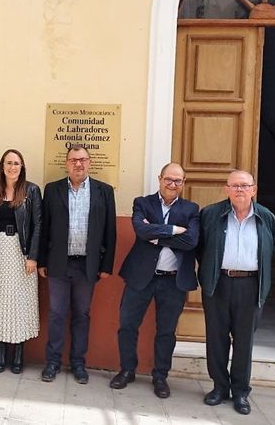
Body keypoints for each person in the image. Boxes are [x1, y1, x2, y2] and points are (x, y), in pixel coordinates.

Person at [110, 163, 199, 398]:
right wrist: (174, 230)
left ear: (184, 183)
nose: (173, 184)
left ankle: (160, 376)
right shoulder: (143, 203)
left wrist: (157, 236)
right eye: (169, 179)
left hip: (173, 281)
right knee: (127, 325)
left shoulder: (191, 209)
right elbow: (141, 231)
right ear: (160, 179)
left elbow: (191, 241)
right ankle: (127, 370)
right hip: (140, 277)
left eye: (178, 181)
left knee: (166, 331)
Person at [198, 170, 275, 415]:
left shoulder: (267, 217)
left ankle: (241, 391)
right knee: (217, 337)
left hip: (251, 285)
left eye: (245, 186)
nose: (240, 190)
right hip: (218, 283)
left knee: (244, 341)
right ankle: (219, 387)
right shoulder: (210, 214)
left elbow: (270, 248)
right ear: (226, 189)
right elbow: (201, 249)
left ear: (253, 190)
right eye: (235, 186)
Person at [38, 144, 116, 384]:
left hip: (87, 265)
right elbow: (44, 228)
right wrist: (42, 260)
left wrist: (106, 265)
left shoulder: (104, 191)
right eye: (73, 160)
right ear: (66, 163)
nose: (78, 164)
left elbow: (110, 231)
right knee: (57, 313)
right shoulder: (52, 190)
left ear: (90, 162)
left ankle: (78, 364)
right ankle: (52, 362)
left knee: (82, 314)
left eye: (82, 159)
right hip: (59, 264)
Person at [0, 149, 42, 374]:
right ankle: (1, 353)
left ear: (22, 166)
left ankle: (18, 354)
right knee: (0, 303)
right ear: (2, 166)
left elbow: (37, 225)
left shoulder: (32, 190)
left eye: (16, 163)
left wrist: (33, 256)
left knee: (20, 304)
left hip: (21, 252)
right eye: (8, 163)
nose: (12, 167)